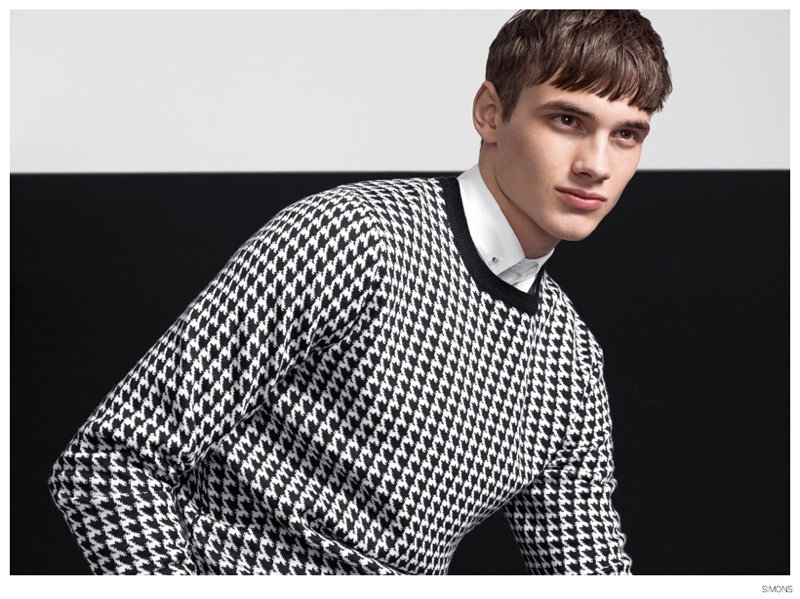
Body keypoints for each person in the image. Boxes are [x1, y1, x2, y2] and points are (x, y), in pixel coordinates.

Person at [49, 9, 671, 575]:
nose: (596, 164)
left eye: (626, 134)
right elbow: (108, 463)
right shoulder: (353, 238)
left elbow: (590, 573)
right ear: (489, 113)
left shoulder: (570, 358)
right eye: (567, 120)